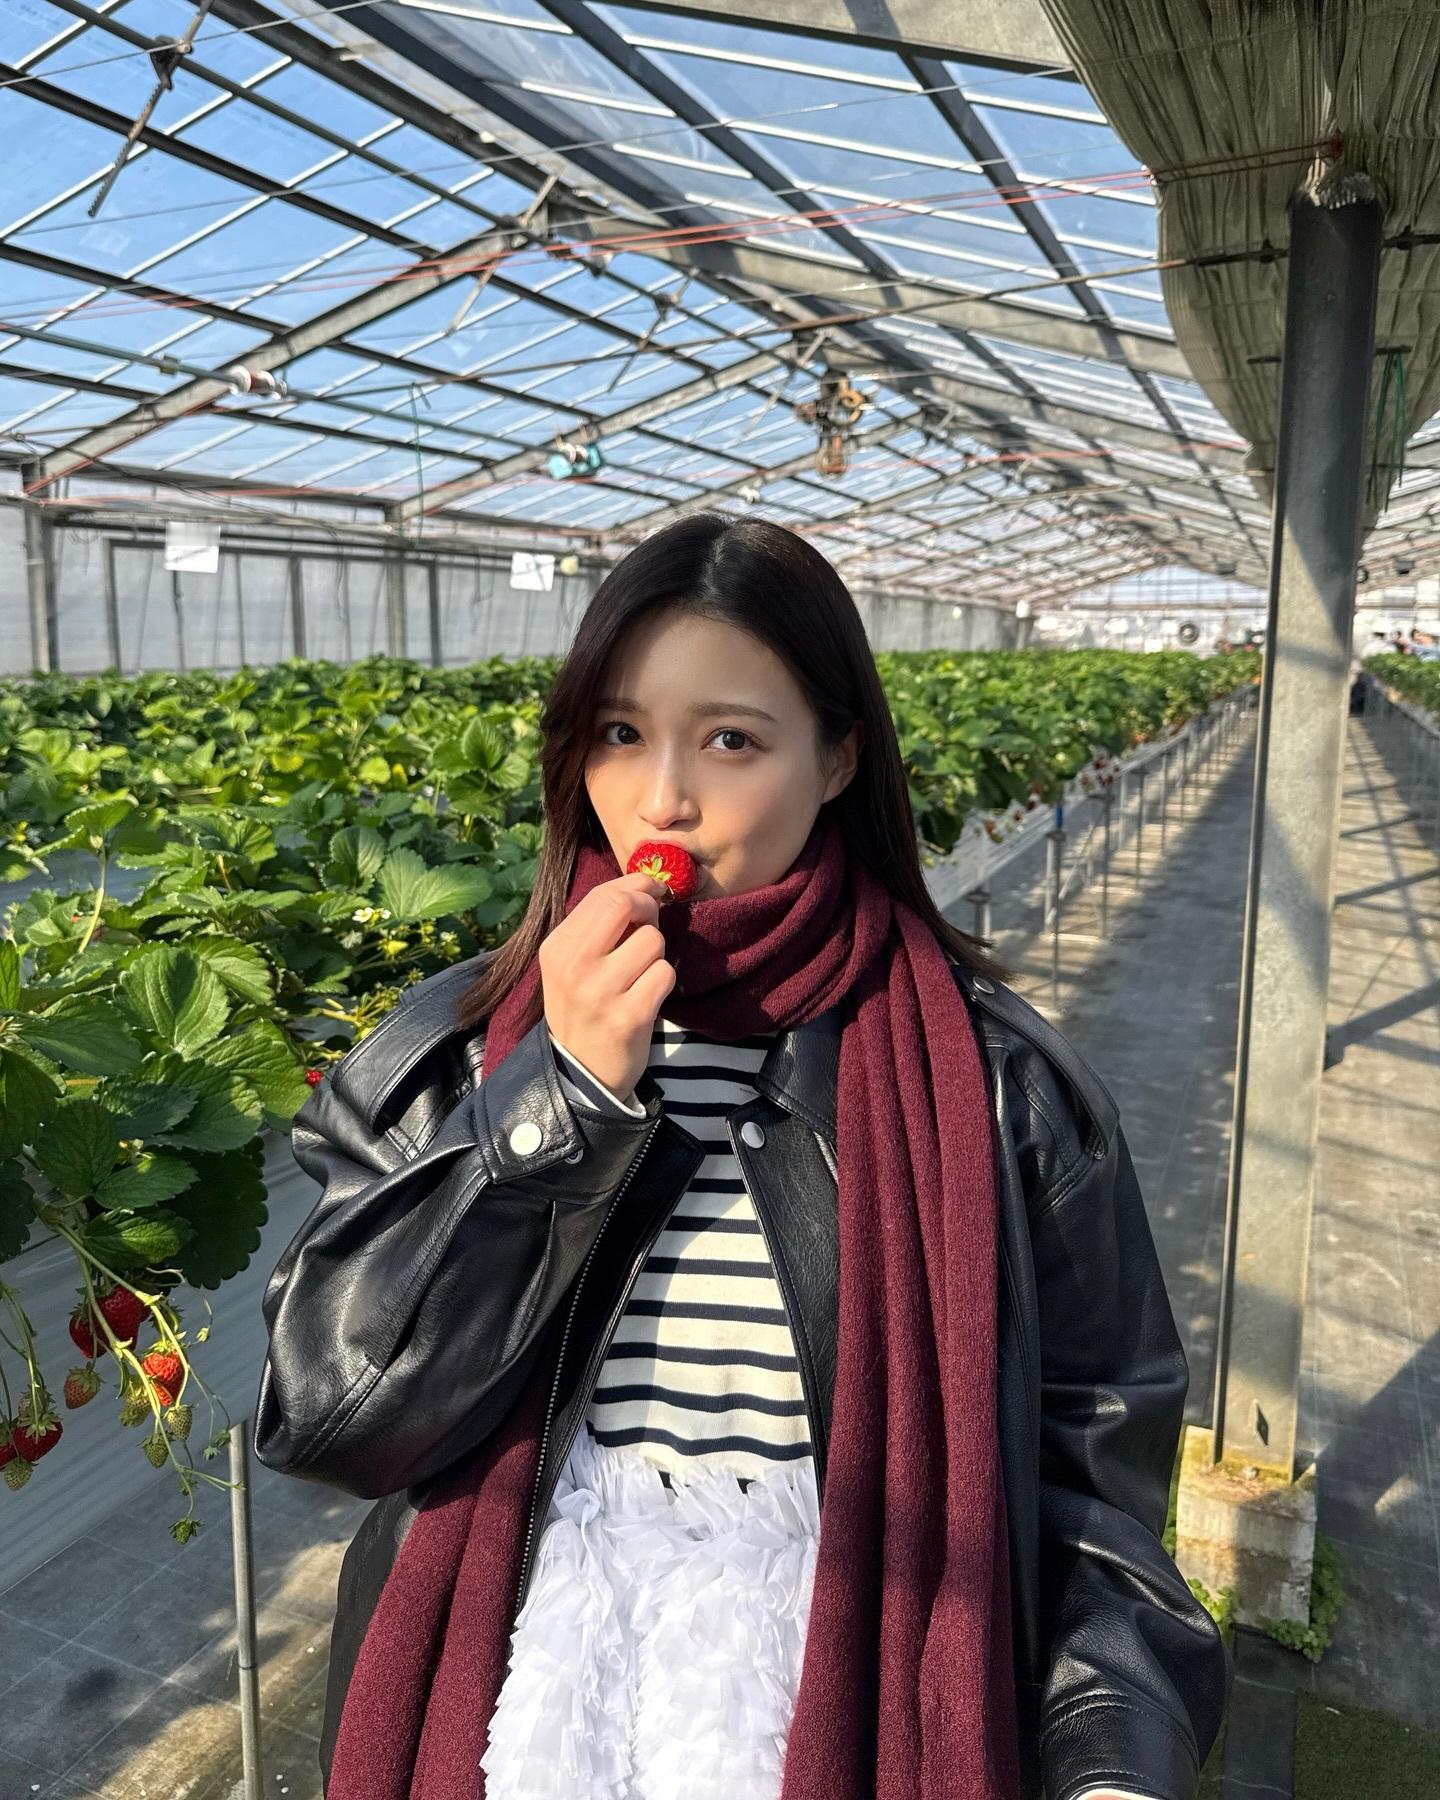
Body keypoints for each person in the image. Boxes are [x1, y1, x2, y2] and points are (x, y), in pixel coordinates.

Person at [253, 512, 1230, 1800]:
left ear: (838, 759)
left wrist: (1109, 1758)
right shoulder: (458, 1050)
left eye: (730, 740)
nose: (661, 798)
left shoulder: (999, 1087)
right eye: (620, 732)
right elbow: (330, 1417)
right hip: (527, 1706)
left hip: (841, 1702)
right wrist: (556, 1104)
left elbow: (1091, 1480)